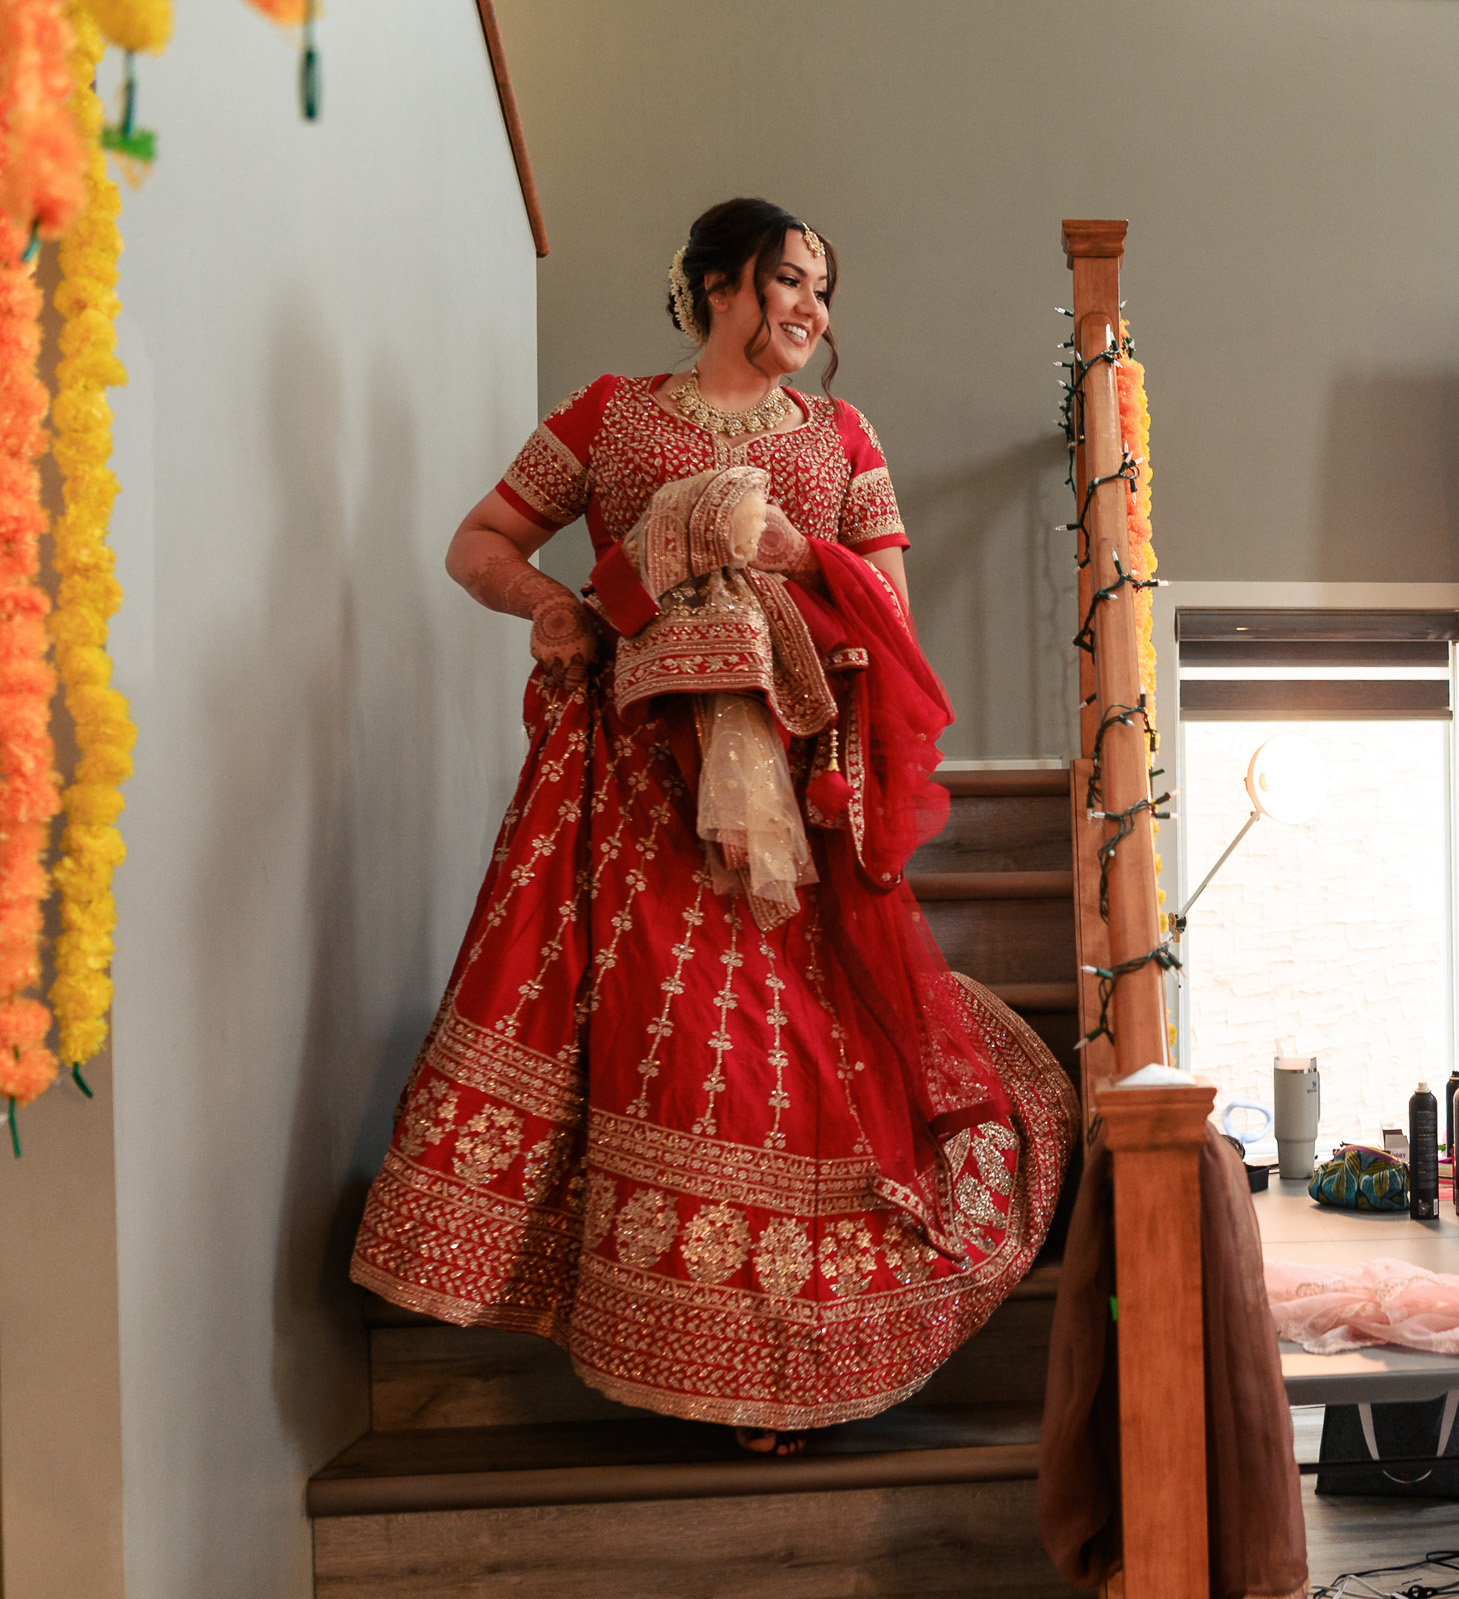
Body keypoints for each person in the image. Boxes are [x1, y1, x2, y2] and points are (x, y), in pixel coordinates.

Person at [349, 198, 1075, 1454]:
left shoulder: (842, 435)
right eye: (792, 281)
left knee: (783, 1040)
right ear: (720, 283)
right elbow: (478, 545)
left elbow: (894, 619)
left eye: (824, 293)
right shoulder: (611, 415)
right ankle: (666, 1334)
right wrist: (554, 608)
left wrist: (801, 553)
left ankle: (783, 1364)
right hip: (636, 783)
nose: (813, 311)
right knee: (666, 1032)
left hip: (794, 793)